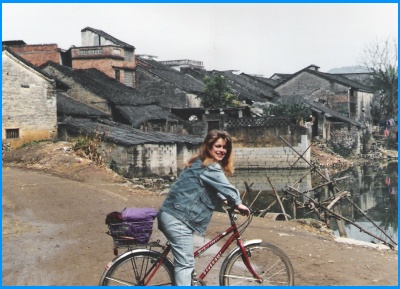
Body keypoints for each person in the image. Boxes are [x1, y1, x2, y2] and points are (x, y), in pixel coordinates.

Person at [157, 130, 250, 286]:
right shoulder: (211, 167)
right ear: (209, 146)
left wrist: (224, 200)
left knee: (185, 262)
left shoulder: (199, 162)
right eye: (218, 146)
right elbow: (227, 187)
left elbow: (204, 188)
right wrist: (237, 202)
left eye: (225, 147)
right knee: (185, 264)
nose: (222, 150)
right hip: (178, 219)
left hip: (171, 214)